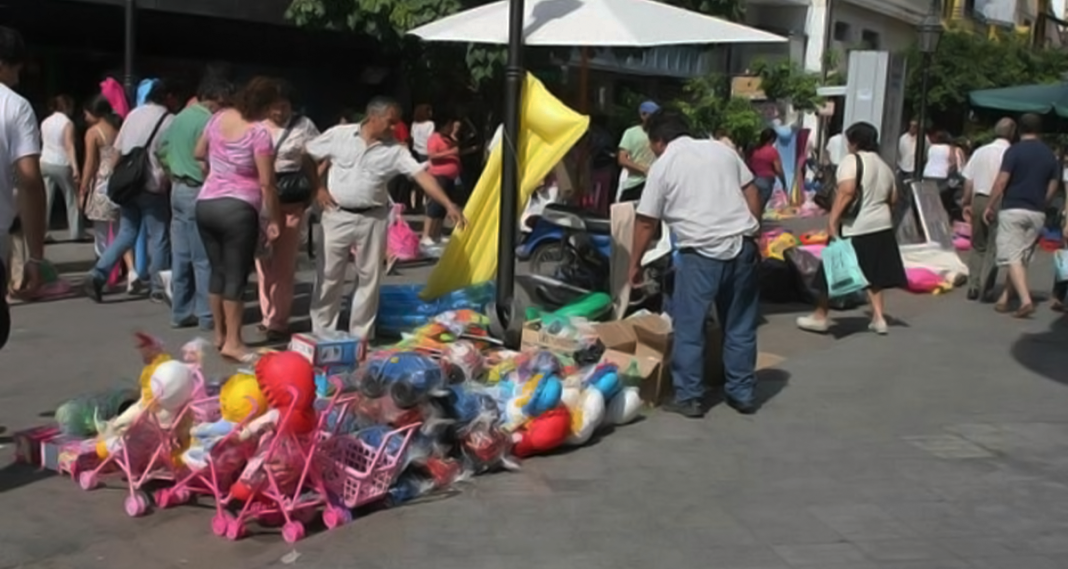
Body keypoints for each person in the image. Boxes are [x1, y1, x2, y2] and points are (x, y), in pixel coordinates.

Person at [628, 110, 762, 419]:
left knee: (690, 326)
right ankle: (741, 393)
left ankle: (689, 396)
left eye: (652, 145)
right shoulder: (722, 150)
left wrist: (634, 264)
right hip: (742, 246)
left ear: (659, 141)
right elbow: (752, 191)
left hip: (700, 254)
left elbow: (646, 222)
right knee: (740, 325)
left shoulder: (663, 166)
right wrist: (754, 231)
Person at [302, 97, 466, 340]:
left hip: (373, 218)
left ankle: (360, 338)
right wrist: (318, 188)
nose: (394, 128)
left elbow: (422, 176)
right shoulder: (339, 135)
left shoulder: (396, 151)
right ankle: (322, 334)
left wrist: (448, 203)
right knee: (328, 277)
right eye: (390, 123)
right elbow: (308, 154)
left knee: (369, 279)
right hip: (337, 215)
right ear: (372, 117)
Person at [194, 77, 284, 363]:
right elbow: (267, 183)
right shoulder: (259, 133)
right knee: (235, 275)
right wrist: (272, 219)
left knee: (216, 271)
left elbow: (198, 152)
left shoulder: (219, 117)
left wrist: (216, 169)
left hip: (206, 203)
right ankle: (234, 341)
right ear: (267, 106)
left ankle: (219, 335)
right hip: (239, 208)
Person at [797, 122, 907, 336]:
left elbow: (846, 191)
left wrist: (832, 220)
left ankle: (820, 316)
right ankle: (879, 317)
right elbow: (893, 198)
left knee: (831, 268)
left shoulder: (852, 161)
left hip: (854, 226)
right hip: (881, 226)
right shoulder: (884, 166)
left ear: (854, 141)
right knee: (875, 274)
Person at [82, 79, 177, 303]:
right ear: (169, 98)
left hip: (128, 186)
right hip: (152, 185)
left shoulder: (133, 115)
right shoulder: (170, 120)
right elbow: (168, 157)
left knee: (127, 233)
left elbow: (117, 149)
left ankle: (98, 273)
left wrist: (113, 180)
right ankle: (158, 286)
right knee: (159, 236)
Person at [158, 72, 233, 330]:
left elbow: (161, 149)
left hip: (177, 188)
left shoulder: (179, 117)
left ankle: (180, 311)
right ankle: (206, 314)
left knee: (180, 255)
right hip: (198, 190)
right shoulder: (210, 122)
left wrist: (172, 170)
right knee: (204, 257)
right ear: (219, 98)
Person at [256, 80, 320, 342]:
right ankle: (266, 314)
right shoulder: (256, 126)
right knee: (262, 260)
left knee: (284, 263)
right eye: (274, 107)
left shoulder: (304, 126)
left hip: (292, 198)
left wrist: (315, 189)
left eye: (283, 107)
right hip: (260, 197)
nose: (279, 113)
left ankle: (278, 320)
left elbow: (318, 156)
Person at [983, 113, 1059, 318]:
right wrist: (1043, 204)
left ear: (1019, 130)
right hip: (1036, 211)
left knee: (1012, 255)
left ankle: (1025, 300)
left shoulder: (1014, 152)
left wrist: (989, 205)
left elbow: (1001, 182)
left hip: (1013, 208)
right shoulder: (1050, 155)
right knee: (1020, 256)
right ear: (1039, 130)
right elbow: (1052, 187)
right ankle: (1005, 299)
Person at [0, 26, 47, 350]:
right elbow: (29, 180)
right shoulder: (14, 106)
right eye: (15, 68)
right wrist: (36, 256)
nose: (17, 78)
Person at [79, 95, 133, 282]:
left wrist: (83, 189)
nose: (84, 117)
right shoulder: (118, 128)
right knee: (122, 230)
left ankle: (103, 271)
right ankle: (128, 270)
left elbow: (89, 164)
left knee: (101, 233)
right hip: (120, 181)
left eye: (86, 113)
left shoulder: (93, 133)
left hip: (102, 183)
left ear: (95, 113)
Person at [961, 118, 1015, 302]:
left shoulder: (980, 152)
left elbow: (969, 181)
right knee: (994, 245)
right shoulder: (1011, 153)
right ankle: (987, 287)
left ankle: (973, 284)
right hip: (1001, 200)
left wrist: (966, 201)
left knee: (977, 245)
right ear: (1012, 133)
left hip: (979, 197)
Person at [422, 117, 475, 246]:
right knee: (434, 205)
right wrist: (450, 152)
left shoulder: (450, 139)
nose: (451, 128)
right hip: (439, 175)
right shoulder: (435, 138)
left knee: (443, 207)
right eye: (449, 125)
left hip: (450, 176)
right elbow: (432, 155)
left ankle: (436, 233)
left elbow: (456, 153)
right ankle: (426, 234)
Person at [40, 94, 83, 242]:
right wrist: (75, 167)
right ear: (67, 107)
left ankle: (42, 233)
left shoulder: (45, 122)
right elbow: (69, 145)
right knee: (72, 198)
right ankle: (76, 232)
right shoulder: (67, 123)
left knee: (46, 199)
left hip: (45, 161)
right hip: (61, 162)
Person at [616, 101, 659, 202]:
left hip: (655, 184)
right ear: (643, 115)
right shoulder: (631, 133)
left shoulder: (661, 134)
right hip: (634, 184)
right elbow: (622, 159)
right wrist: (644, 170)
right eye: (652, 115)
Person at [748, 128, 787, 210]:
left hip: (753, 180)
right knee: (759, 208)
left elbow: (749, 164)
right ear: (772, 139)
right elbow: (778, 169)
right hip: (766, 181)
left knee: (753, 207)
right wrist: (784, 183)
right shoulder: (772, 151)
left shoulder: (755, 150)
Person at [410, 104, 434, 213]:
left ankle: (417, 204)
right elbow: (430, 138)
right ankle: (427, 204)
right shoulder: (430, 124)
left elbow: (412, 137)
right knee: (428, 179)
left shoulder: (414, 124)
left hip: (416, 151)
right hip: (426, 152)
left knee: (417, 179)